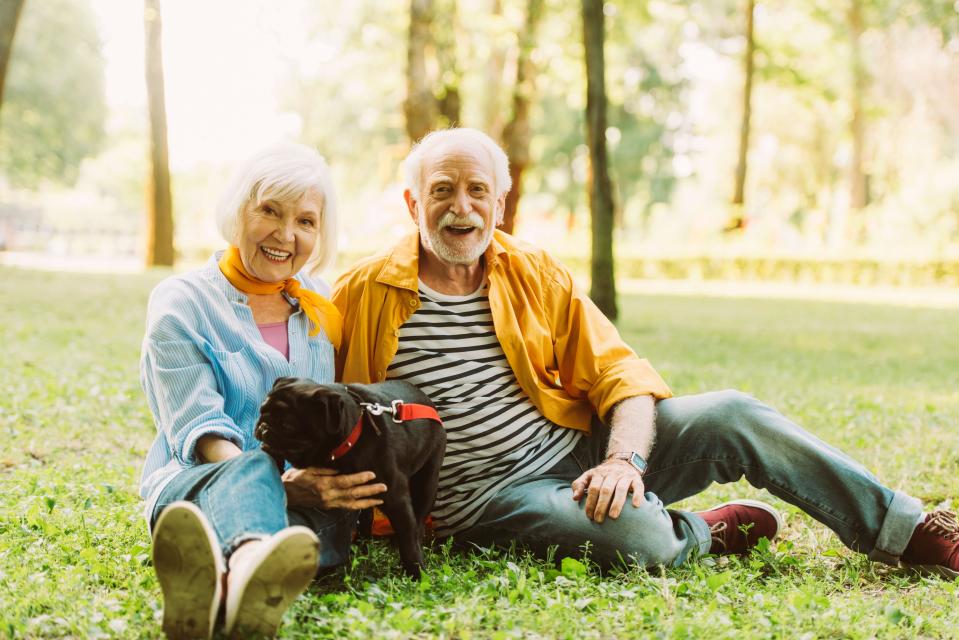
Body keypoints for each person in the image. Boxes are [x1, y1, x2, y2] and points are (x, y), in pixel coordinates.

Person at [331, 127, 959, 578]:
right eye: (442, 190)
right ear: (414, 204)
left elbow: (621, 374)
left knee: (733, 411)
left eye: (477, 191)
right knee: (640, 539)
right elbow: (308, 403)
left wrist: (624, 461)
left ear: (499, 203)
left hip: (580, 449)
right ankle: (703, 531)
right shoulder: (361, 293)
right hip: (487, 499)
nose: (460, 208)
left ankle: (905, 530)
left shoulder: (532, 270)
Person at [139, 143, 385, 639]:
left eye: (306, 221)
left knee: (322, 532)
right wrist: (273, 480)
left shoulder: (319, 304)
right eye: (269, 211)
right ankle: (251, 562)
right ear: (238, 211)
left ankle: (218, 587)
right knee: (251, 477)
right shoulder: (182, 301)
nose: (286, 235)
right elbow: (200, 428)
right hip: (200, 484)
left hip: (308, 497)